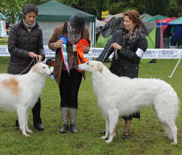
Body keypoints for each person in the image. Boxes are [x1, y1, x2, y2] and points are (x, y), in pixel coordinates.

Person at [97, 10, 148, 139]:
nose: (124, 23)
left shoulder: (142, 40)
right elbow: (107, 50)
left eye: (127, 21)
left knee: (128, 103)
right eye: (124, 21)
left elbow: (136, 58)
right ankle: (110, 129)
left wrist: (121, 49)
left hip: (129, 75)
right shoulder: (117, 34)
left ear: (135, 22)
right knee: (111, 102)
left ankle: (127, 131)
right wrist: (98, 64)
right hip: (114, 73)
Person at [48, 11, 90, 133]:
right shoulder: (59, 30)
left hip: (77, 68)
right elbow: (50, 44)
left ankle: (73, 124)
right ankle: (64, 124)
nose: (76, 30)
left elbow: (87, 45)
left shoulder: (85, 30)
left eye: (78, 28)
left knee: (73, 96)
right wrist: (55, 45)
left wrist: (87, 49)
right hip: (62, 69)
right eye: (74, 27)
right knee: (64, 95)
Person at [7, 4, 45, 131]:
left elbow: (40, 46)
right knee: (20, 97)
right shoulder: (15, 29)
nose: (32, 19)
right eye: (29, 16)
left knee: (36, 96)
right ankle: (19, 122)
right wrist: (27, 54)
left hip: (33, 69)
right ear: (24, 16)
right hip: (17, 67)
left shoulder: (38, 30)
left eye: (34, 16)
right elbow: (11, 48)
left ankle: (37, 122)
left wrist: (41, 55)